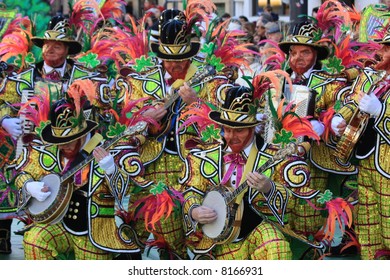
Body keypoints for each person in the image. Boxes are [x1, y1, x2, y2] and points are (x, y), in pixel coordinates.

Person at [119, 8, 231, 259]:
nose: (176, 65)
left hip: (192, 161)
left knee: (179, 229)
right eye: (170, 61)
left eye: (182, 60)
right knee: (136, 222)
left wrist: (197, 103)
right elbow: (127, 122)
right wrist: (146, 119)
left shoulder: (210, 77)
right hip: (149, 161)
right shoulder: (143, 77)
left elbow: (227, 126)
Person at [181, 86, 321, 260]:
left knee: (278, 248)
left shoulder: (274, 156)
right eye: (227, 129)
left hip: (257, 231)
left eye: (239, 130)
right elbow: (191, 191)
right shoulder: (206, 155)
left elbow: (294, 202)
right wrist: (195, 210)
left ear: (253, 128)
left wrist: (269, 188)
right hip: (216, 240)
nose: (231, 137)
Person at [13, 94, 143, 259]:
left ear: (83, 133)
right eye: (59, 140)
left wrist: (111, 169)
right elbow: (22, 173)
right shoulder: (51, 149)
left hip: (93, 232)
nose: (64, 145)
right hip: (58, 226)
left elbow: (127, 190)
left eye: (71, 139)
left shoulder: (108, 148)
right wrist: (29, 186)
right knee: (34, 240)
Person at [277, 21, 358, 243]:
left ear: (316, 54)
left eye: (305, 52)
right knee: (280, 215)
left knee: (308, 218)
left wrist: (330, 123)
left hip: (313, 161)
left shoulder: (329, 81)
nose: (297, 58)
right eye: (293, 52)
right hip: (277, 159)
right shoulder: (278, 79)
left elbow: (346, 101)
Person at [330, 30, 390, 259]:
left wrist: (381, 112)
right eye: (383, 46)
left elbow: (373, 107)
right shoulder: (377, 76)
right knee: (368, 228)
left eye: (387, 48)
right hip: (367, 160)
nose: (381, 51)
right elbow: (357, 98)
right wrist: (341, 117)